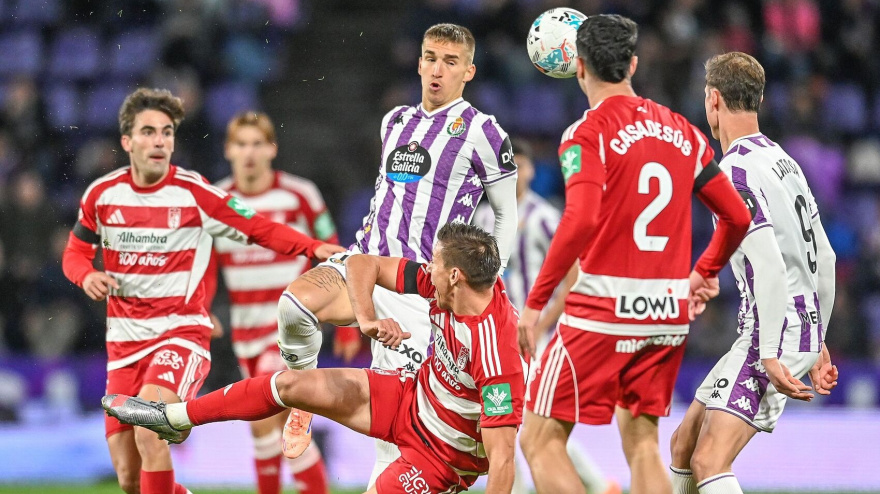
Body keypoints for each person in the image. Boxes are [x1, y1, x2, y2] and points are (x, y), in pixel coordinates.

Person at [61, 88, 344, 494]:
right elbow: (75, 251)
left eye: (166, 133)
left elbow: (257, 227)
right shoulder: (102, 195)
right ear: (127, 142)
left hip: (180, 334)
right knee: (128, 478)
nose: (159, 141)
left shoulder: (196, 192)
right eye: (148, 132)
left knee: (150, 430)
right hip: (123, 344)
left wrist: (311, 246)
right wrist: (84, 275)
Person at [103, 222, 525, 494]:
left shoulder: (497, 352)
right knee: (290, 384)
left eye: (434, 262)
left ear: (455, 275)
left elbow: (502, 458)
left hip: (439, 459)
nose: (426, 267)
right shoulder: (444, 286)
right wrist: (366, 318)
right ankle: (175, 419)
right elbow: (363, 263)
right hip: (408, 400)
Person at [516, 15, 753, 494]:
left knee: (539, 439)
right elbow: (737, 217)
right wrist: (703, 273)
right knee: (642, 441)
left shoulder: (586, 133)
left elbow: (579, 219)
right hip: (667, 310)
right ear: (634, 64)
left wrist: (536, 303)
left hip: (602, 309)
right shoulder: (683, 131)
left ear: (578, 68)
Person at [273, 23, 519, 485]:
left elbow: (507, 215)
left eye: (450, 62)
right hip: (366, 264)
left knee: (401, 430)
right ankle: (301, 400)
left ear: (469, 70)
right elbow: (388, 195)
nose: (436, 70)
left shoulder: (486, 133)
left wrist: (487, 283)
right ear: (419, 61)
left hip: (421, 288)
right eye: (430, 57)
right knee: (293, 305)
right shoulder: (396, 121)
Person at [668, 52, 839, 494]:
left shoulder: (734, 172)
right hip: (782, 327)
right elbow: (825, 255)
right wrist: (816, 337)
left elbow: (769, 263)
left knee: (709, 460)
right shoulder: (783, 160)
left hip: (771, 332)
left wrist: (770, 352)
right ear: (759, 98)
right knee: (684, 446)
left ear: (713, 100)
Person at [473, 139, 620, 494]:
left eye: (520, 166)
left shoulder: (544, 217)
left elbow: (575, 274)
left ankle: (597, 485)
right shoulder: (481, 217)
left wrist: (541, 322)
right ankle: (597, 486)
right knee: (508, 416)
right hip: (495, 333)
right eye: (508, 167)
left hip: (533, 335)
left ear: (532, 171)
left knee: (522, 417)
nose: (514, 174)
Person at [205, 111, 335, 494]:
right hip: (245, 330)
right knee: (271, 425)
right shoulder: (217, 200)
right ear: (228, 150)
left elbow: (329, 249)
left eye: (257, 143)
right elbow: (203, 258)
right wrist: (204, 305)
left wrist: (339, 309)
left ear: (272, 149)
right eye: (241, 144)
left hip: (292, 324)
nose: (249, 153)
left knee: (265, 417)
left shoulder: (300, 194)